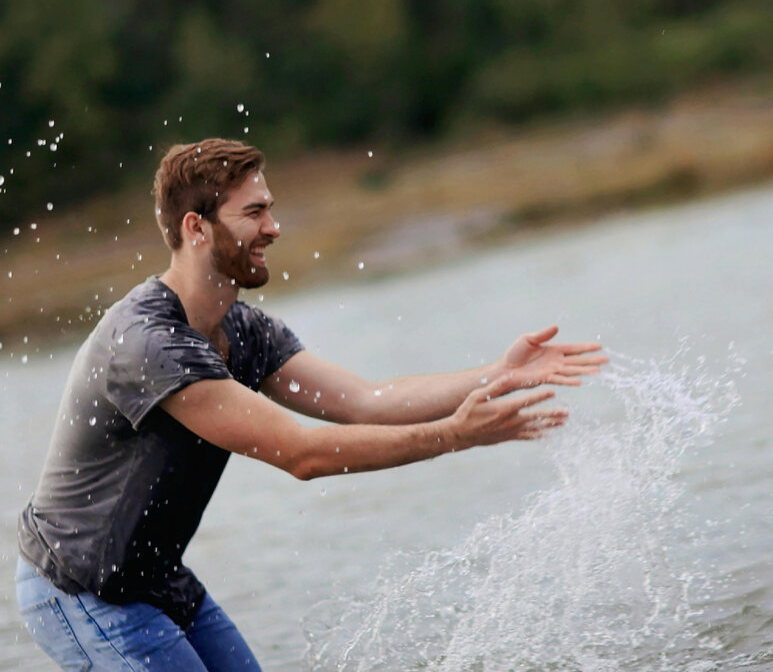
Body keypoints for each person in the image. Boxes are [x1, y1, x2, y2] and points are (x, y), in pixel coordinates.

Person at [15, 138, 607, 670]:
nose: (274, 226)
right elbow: (304, 454)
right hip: (81, 588)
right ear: (196, 228)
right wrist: (456, 434)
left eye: (269, 208)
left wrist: (498, 373)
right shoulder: (150, 343)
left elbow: (365, 402)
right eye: (254, 212)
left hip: (157, 581)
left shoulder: (242, 330)